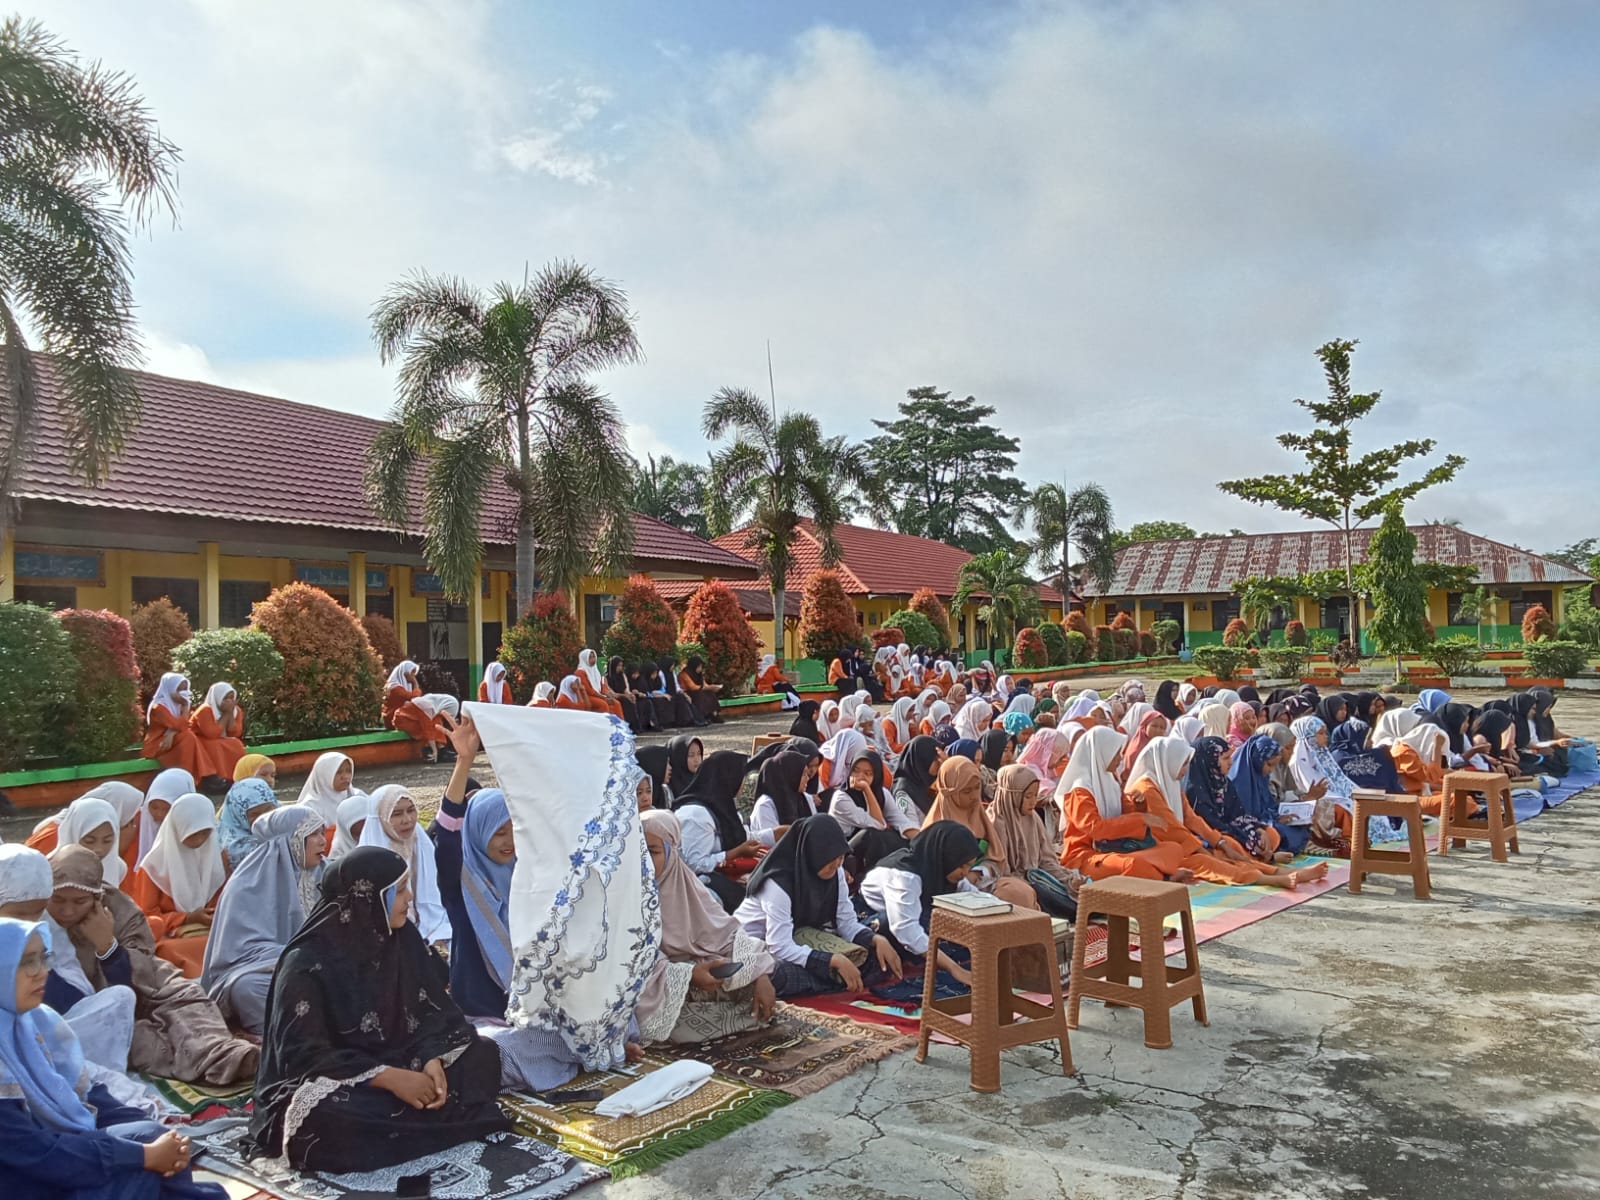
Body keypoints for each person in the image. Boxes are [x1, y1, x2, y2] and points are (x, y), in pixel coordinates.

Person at [247, 847, 509, 1172]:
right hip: (343, 1079)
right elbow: (303, 1056)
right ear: (365, 898)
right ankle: (437, 1118)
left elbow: (434, 1013)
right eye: (399, 891)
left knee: (482, 1053)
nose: (410, 897)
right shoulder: (305, 964)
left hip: (405, 1060)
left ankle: (420, 1114)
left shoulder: (400, 938)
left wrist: (432, 1059)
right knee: (324, 1116)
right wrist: (386, 1078)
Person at [0, 918, 229, 1200]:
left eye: (43, 958)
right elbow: (35, 1152)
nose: (41, 973)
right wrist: (141, 1156)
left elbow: (87, 1094)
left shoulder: (33, 1021)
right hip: (21, 1179)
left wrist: (162, 1142)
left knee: (149, 1134)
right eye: (25, 962)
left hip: (55, 1155)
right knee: (140, 1175)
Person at [47, 844, 258, 1087]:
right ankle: (211, 1066)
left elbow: (142, 963)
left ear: (96, 897)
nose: (67, 910)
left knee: (187, 998)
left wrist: (107, 945)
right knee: (137, 1039)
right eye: (58, 899)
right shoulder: (38, 919)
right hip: (93, 1005)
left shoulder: (117, 908)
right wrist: (105, 948)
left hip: (147, 982)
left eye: (80, 901)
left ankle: (222, 1052)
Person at [634, 811, 779, 1043]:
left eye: (652, 851)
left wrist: (760, 975)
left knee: (758, 977)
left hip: (700, 978)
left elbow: (729, 934)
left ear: (672, 853)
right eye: (636, 849)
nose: (642, 859)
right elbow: (633, 960)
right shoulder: (622, 897)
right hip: (657, 988)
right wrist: (688, 976)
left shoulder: (687, 886)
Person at [736, 816, 902, 998]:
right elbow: (779, 945)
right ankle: (835, 980)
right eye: (831, 859)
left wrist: (876, 940)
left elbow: (846, 923)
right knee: (779, 974)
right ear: (812, 853)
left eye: (840, 857)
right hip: (760, 946)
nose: (837, 864)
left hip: (804, 937)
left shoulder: (836, 871)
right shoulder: (777, 883)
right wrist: (830, 961)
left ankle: (833, 980)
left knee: (877, 958)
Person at [200, 807, 327, 1035]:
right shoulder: (244, 886)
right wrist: (297, 958)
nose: (323, 842)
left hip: (323, 965)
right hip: (271, 970)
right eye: (313, 835)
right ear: (288, 842)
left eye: (322, 833)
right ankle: (279, 1037)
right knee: (246, 988)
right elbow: (240, 953)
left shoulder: (327, 874)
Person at [1057, 726, 1193, 882]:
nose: (1120, 759)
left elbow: (1124, 814)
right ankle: (1165, 877)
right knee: (1133, 865)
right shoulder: (1080, 791)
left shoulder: (1111, 782)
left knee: (1173, 849)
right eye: (1116, 754)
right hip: (1086, 856)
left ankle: (1158, 874)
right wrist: (1140, 819)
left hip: (1116, 847)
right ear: (1101, 753)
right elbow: (1096, 829)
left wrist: (1138, 806)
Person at [860, 821, 985, 987]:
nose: (965, 873)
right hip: (874, 920)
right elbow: (905, 928)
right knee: (894, 926)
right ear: (945, 856)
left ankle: (919, 955)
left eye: (969, 866)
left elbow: (975, 898)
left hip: (918, 918)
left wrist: (1006, 911)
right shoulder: (905, 876)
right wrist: (953, 968)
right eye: (961, 866)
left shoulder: (943, 869)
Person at [125, 794, 225, 979]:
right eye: (193, 833)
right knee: (172, 951)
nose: (200, 839)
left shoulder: (216, 857)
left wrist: (215, 914)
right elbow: (145, 917)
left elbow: (223, 898)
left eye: (205, 832)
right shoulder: (154, 867)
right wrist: (187, 918)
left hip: (211, 931)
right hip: (171, 937)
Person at [921, 757, 1037, 907]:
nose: (974, 796)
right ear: (950, 791)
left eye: (977, 788)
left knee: (1021, 892)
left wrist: (979, 872)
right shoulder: (936, 827)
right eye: (967, 791)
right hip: (949, 892)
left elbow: (996, 858)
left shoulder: (978, 815)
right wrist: (962, 876)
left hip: (983, 882)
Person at [357, 785, 451, 947]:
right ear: (381, 817)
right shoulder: (367, 859)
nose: (407, 820)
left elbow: (435, 895)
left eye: (411, 810)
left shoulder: (419, 841)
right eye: (397, 814)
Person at [672, 750, 765, 912]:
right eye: (741, 777)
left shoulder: (722, 805)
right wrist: (734, 853)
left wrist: (777, 834)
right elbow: (694, 864)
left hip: (717, 874)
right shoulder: (696, 815)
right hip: (695, 884)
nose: (744, 784)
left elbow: (745, 836)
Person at [990, 764, 1082, 916]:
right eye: (1028, 797)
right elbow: (1001, 872)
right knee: (1047, 898)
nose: (1033, 801)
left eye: (1035, 795)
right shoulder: (996, 823)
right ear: (1013, 795)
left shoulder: (1033, 818)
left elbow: (1046, 860)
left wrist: (1067, 879)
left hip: (1039, 877)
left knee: (1076, 892)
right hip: (1018, 884)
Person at [26, 782, 144, 881]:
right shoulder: (55, 842)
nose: (99, 848)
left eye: (107, 841)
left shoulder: (117, 867)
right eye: (89, 841)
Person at [828, 747, 916, 870]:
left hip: (869, 847)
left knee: (896, 836)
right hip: (843, 851)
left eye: (867, 774)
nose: (860, 777)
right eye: (856, 771)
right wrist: (866, 789)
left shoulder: (882, 793)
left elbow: (900, 820)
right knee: (871, 835)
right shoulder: (841, 798)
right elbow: (878, 825)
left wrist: (921, 840)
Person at [382, 660, 452, 762]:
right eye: (411, 673)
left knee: (433, 716)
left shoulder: (403, 685)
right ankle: (434, 749)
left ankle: (440, 748)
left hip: (408, 714)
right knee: (426, 720)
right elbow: (414, 698)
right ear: (404, 672)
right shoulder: (395, 688)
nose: (413, 676)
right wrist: (415, 682)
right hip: (395, 718)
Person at [141, 672, 204, 780]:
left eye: (185, 689)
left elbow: (183, 726)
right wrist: (185, 705)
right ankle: (186, 777)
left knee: (189, 737)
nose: (183, 693)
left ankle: (191, 776)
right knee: (188, 737)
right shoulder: (158, 707)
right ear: (169, 689)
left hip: (171, 741)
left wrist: (172, 733)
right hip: (157, 744)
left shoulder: (177, 705)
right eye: (179, 690)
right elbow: (180, 725)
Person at [187, 681, 246, 792]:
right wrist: (226, 714)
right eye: (225, 699)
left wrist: (230, 713)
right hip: (201, 741)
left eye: (232, 698)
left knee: (236, 744)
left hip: (221, 739)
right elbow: (211, 734)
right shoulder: (205, 710)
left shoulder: (236, 710)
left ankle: (236, 777)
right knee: (214, 745)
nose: (229, 702)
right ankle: (218, 780)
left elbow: (235, 733)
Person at [748, 750, 819, 842]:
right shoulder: (765, 805)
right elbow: (771, 843)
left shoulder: (806, 798)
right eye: (803, 774)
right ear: (791, 775)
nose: (808, 778)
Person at [215, 777, 278, 871]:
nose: (264, 817)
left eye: (268, 809)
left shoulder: (285, 828)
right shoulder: (234, 849)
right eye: (255, 814)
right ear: (238, 815)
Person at [294, 750, 355, 833]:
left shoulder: (356, 797)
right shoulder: (310, 808)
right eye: (338, 772)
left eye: (348, 771)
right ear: (324, 775)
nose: (345, 777)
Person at [890, 736, 942, 827]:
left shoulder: (927, 781)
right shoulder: (903, 792)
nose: (939, 762)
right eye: (935, 759)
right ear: (922, 761)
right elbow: (910, 829)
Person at [605, 655, 654, 732]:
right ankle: (627, 726)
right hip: (616, 697)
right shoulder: (606, 677)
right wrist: (625, 696)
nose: (620, 668)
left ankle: (636, 727)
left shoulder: (622, 675)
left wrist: (629, 694)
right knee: (626, 701)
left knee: (632, 699)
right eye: (618, 666)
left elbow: (626, 688)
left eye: (621, 665)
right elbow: (611, 692)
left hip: (624, 696)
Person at [575, 649, 625, 717]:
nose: (593, 659)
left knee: (616, 703)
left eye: (593, 657)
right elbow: (589, 690)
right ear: (584, 659)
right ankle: (604, 725)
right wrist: (603, 697)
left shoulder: (596, 671)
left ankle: (620, 726)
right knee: (603, 704)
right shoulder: (580, 672)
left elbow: (603, 685)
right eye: (590, 657)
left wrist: (607, 694)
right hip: (587, 696)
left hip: (599, 695)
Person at [654, 657, 702, 726]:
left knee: (683, 698)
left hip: (673, 693)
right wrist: (665, 694)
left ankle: (690, 720)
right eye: (672, 665)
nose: (673, 667)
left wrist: (683, 693)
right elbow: (661, 687)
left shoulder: (672, 673)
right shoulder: (660, 673)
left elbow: (676, 686)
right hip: (664, 694)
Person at [679, 655, 724, 724]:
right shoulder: (684, 674)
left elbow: (704, 684)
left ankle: (714, 713)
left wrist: (712, 687)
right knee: (700, 695)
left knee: (710, 693)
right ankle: (703, 715)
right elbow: (692, 687)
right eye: (699, 666)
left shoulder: (699, 674)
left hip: (699, 690)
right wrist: (705, 687)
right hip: (688, 692)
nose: (700, 669)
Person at [329, 792, 375, 858]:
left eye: (367, 829)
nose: (363, 837)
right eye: (357, 834)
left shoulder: (386, 840)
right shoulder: (338, 854)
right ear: (346, 833)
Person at [663, 734, 704, 803]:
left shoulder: (704, 780)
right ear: (678, 758)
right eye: (691, 755)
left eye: (699, 754)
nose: (696, 759)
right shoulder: (668, 790)